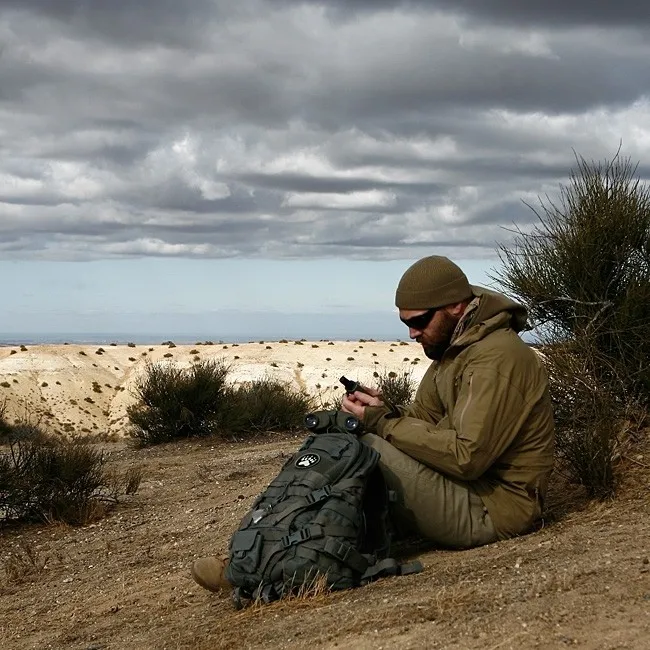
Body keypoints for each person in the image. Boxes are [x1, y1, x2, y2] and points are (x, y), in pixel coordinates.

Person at [342, 255, 555, 548]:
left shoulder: (496, 358)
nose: (412, 333)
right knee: (344, 431)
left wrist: (384, 424)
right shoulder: (453, 350)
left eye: (419, 321)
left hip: (495, 507)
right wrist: (383, 410)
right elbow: (423, 419)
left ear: (455, 306)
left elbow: (466, 457)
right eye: (406, 322)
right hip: (466, 488)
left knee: (363, 446)